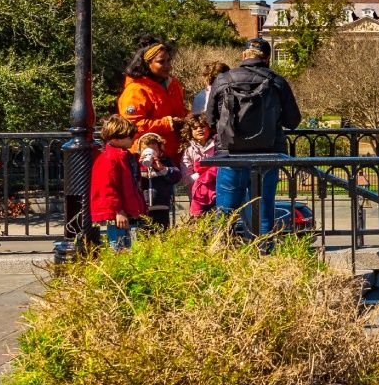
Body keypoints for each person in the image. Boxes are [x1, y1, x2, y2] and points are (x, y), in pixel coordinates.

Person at [206, 39, 301, 239]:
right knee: (263, 213)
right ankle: (262, 255)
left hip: (230, 154)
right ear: (267, 59)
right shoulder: (277, 81)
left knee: (224, 214)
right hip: (267, 154)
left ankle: (218, 256)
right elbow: (293, 121)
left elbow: (209, 119)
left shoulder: (223, 80)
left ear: (243, 56)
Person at [117, 37, 189, 157]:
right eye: (161, 62)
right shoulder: (135, 90)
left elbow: (179, 112)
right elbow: (132, 126)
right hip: (147, 157)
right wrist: (168, 124)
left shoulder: (174, 84)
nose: (168, 66)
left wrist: (190, 118)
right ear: (147, 63)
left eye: (168, 61)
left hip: (175, 154)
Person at [89, 116, 146, 251]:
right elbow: (108, 188)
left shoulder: (123, 156)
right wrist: (118, 211)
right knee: (119, 247)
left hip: (124, 209)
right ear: (116, 139)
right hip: (119, 212)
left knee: (125, 247)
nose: (133, 139)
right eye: (130, 137)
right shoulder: (110, 159)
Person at [135, 132, 181, 230]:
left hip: (162, 206)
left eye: (154, 149)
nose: (149, 153)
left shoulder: (165, 162)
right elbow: (132, 182)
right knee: (144, 235)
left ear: (160, 151)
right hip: (143, 208)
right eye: (145, 150)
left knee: (162, 234)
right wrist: (137, 167)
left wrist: (162, 168)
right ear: (140, 151)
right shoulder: (137, 165)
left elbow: (176, 177)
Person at [180, 114, 218, 217]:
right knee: (199, 219)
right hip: (196, 192)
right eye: (195, 128)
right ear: (190, 132)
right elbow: (186, 174)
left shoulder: (217, 146)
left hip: (216, 190)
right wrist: (199, 177)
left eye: (202, 126)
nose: (199, 130)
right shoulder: (189, 150)